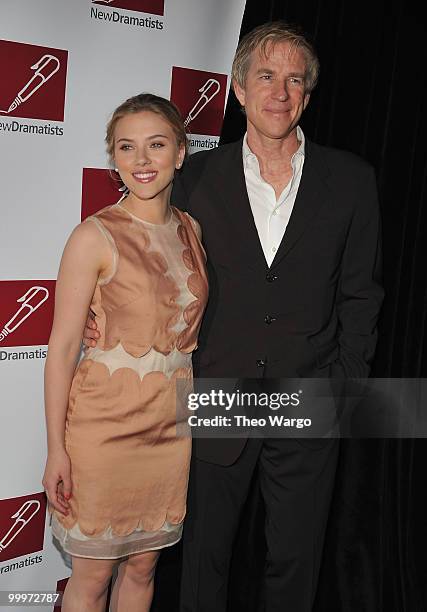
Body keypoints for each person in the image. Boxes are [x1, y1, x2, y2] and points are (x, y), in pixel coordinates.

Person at [84, 21, 384, 612]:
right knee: (202, 562)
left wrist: (342, 386)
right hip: (217, 394)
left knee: (295, 562)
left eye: (295, 80)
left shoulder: (352, 181)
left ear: (306, 95)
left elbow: (362, 296)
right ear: (240, 90)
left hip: (308, 397)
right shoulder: (193, 177)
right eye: (266, 76)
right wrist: (103, 313)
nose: (280, 91)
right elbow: (144, 257)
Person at [42, 93, 208, 612]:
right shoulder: (93, 236)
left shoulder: (191, 230)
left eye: (156, 145)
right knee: (91, 579)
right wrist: (56, 449)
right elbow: (63, 346)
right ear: (113, 158)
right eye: (126, 147)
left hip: (169, 427)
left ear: (180, 152)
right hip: (103, 428)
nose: (142, 161)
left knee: (143, 567)